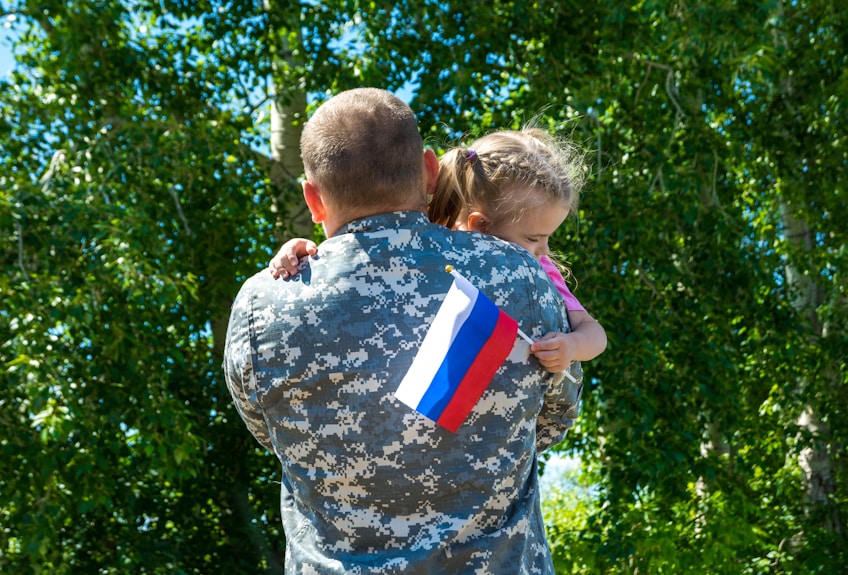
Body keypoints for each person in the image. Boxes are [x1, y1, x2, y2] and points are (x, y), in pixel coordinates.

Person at [223, 88, 581, 574]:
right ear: (430, 171)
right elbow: (555, 418)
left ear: (313, 198)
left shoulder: (262, 305)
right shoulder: (517, 275)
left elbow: (269, 433)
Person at [271, 128, 607, 376]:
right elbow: (360, 260)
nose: (544, 251)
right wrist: (303, 251)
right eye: (534, 238)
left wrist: (572, 346)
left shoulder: (541, 271)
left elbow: (594, 332)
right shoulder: (422, 240)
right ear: (479, 225)